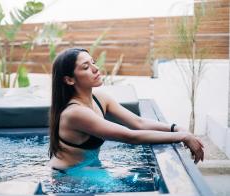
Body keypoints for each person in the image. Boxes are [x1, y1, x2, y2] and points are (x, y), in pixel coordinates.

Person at [48, 47, 204, 172]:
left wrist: (176, 128)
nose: (96, 69)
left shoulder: (100, 98)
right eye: (86, 67)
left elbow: (138, 123)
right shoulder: (75, 113)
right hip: (69, 176)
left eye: (93, 62)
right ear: (69, 79)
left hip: (91, 167)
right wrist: (182, 137)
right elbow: (130, 137)